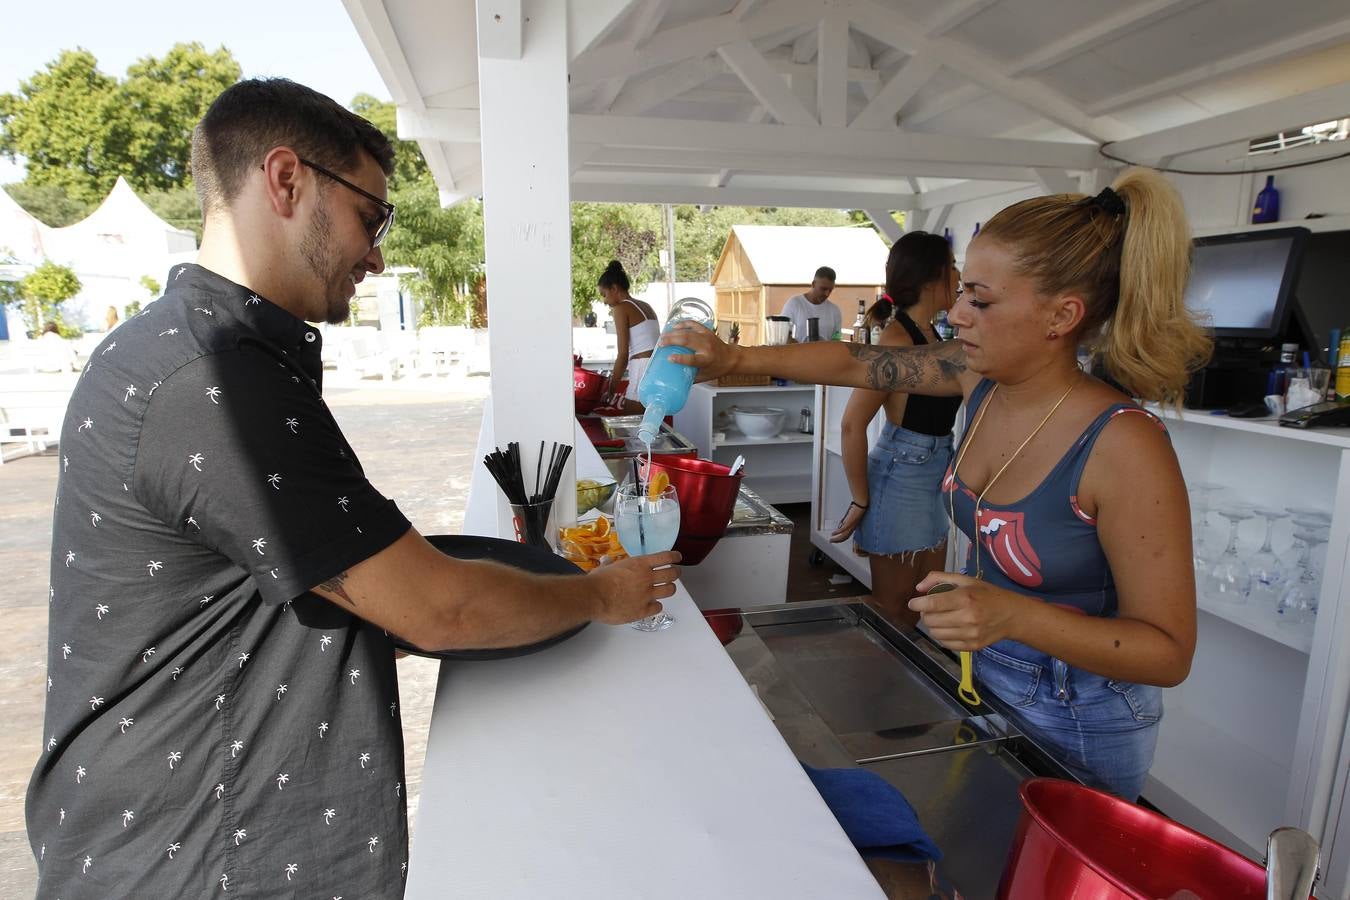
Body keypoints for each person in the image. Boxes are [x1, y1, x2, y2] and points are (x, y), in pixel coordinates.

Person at [27, 78, 679, 899]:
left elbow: (303, 577)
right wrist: (600, 597)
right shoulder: (211, 380)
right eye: (372, 217)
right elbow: (438, 608)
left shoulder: (191, 349)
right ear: (287, 180)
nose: (376, 253)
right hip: (204, 853)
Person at [665, 170, 1212, 800]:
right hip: (987, 677)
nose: (955, 314)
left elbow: (1168, 652)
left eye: (979, 299)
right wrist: (737, 359)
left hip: (1081, 716)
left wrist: (1011, 613)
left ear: (1062, 315)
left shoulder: (1123, 443)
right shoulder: (977, 381)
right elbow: (858, 361)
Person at [829, 232, 961, 626]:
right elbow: (853, 424)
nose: (958, 277)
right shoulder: (898, 340)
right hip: (902, 475)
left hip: (934, 471)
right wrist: (860, 500)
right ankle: (866, 684)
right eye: (952, 268)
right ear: (932, 277)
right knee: (893, 607)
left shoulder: (933, 335)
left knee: (921, 601)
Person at [597, 259, 659, 412]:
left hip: (642, 368)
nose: (604, 301)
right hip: (657, 366)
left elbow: (623, 355)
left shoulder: (621, 308)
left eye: (604, 294)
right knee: (647, 427)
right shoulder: (645, 305)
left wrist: (611, 388)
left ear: (614, 288)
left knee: (633, 426)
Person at [780, 265, 839, 342]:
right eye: (823, 289)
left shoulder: (835, 311)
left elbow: (837, 339)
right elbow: (783, 334)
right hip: (798, 353)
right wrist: (801, 348)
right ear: (813, 284)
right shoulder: (794, 304)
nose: (827, 294)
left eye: (830, 290)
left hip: (826, 353)